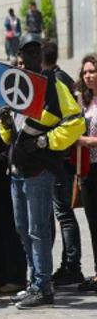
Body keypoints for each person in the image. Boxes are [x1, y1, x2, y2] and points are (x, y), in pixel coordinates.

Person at [0, 33, 84, 308]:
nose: (31, 57)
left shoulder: (53, 84)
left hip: (39, 170)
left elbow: (75, 123)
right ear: (20, 55)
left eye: (36, 52)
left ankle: (43, 287)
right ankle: (35, 282)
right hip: (17, 168)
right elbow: (9, 136)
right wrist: (5, 122)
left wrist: (45, 142)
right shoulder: (15, 84)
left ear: (41, 55)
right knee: (23, 229)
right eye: (27, 52)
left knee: (38, 230)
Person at [42, 39, 84, 287]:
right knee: (61, 214)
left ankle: (71, 266)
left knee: (63, 214)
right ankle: (68, 265)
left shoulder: (56, 81)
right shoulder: (62, 78)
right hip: (61, 158)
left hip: (59, 158)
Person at [76, 54, 97, 291]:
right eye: (85, 72)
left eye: (91, 71)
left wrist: (87, 141)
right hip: (88, 170)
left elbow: (85, 140)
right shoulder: (85, 102)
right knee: (93, 223)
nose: (87, 76)